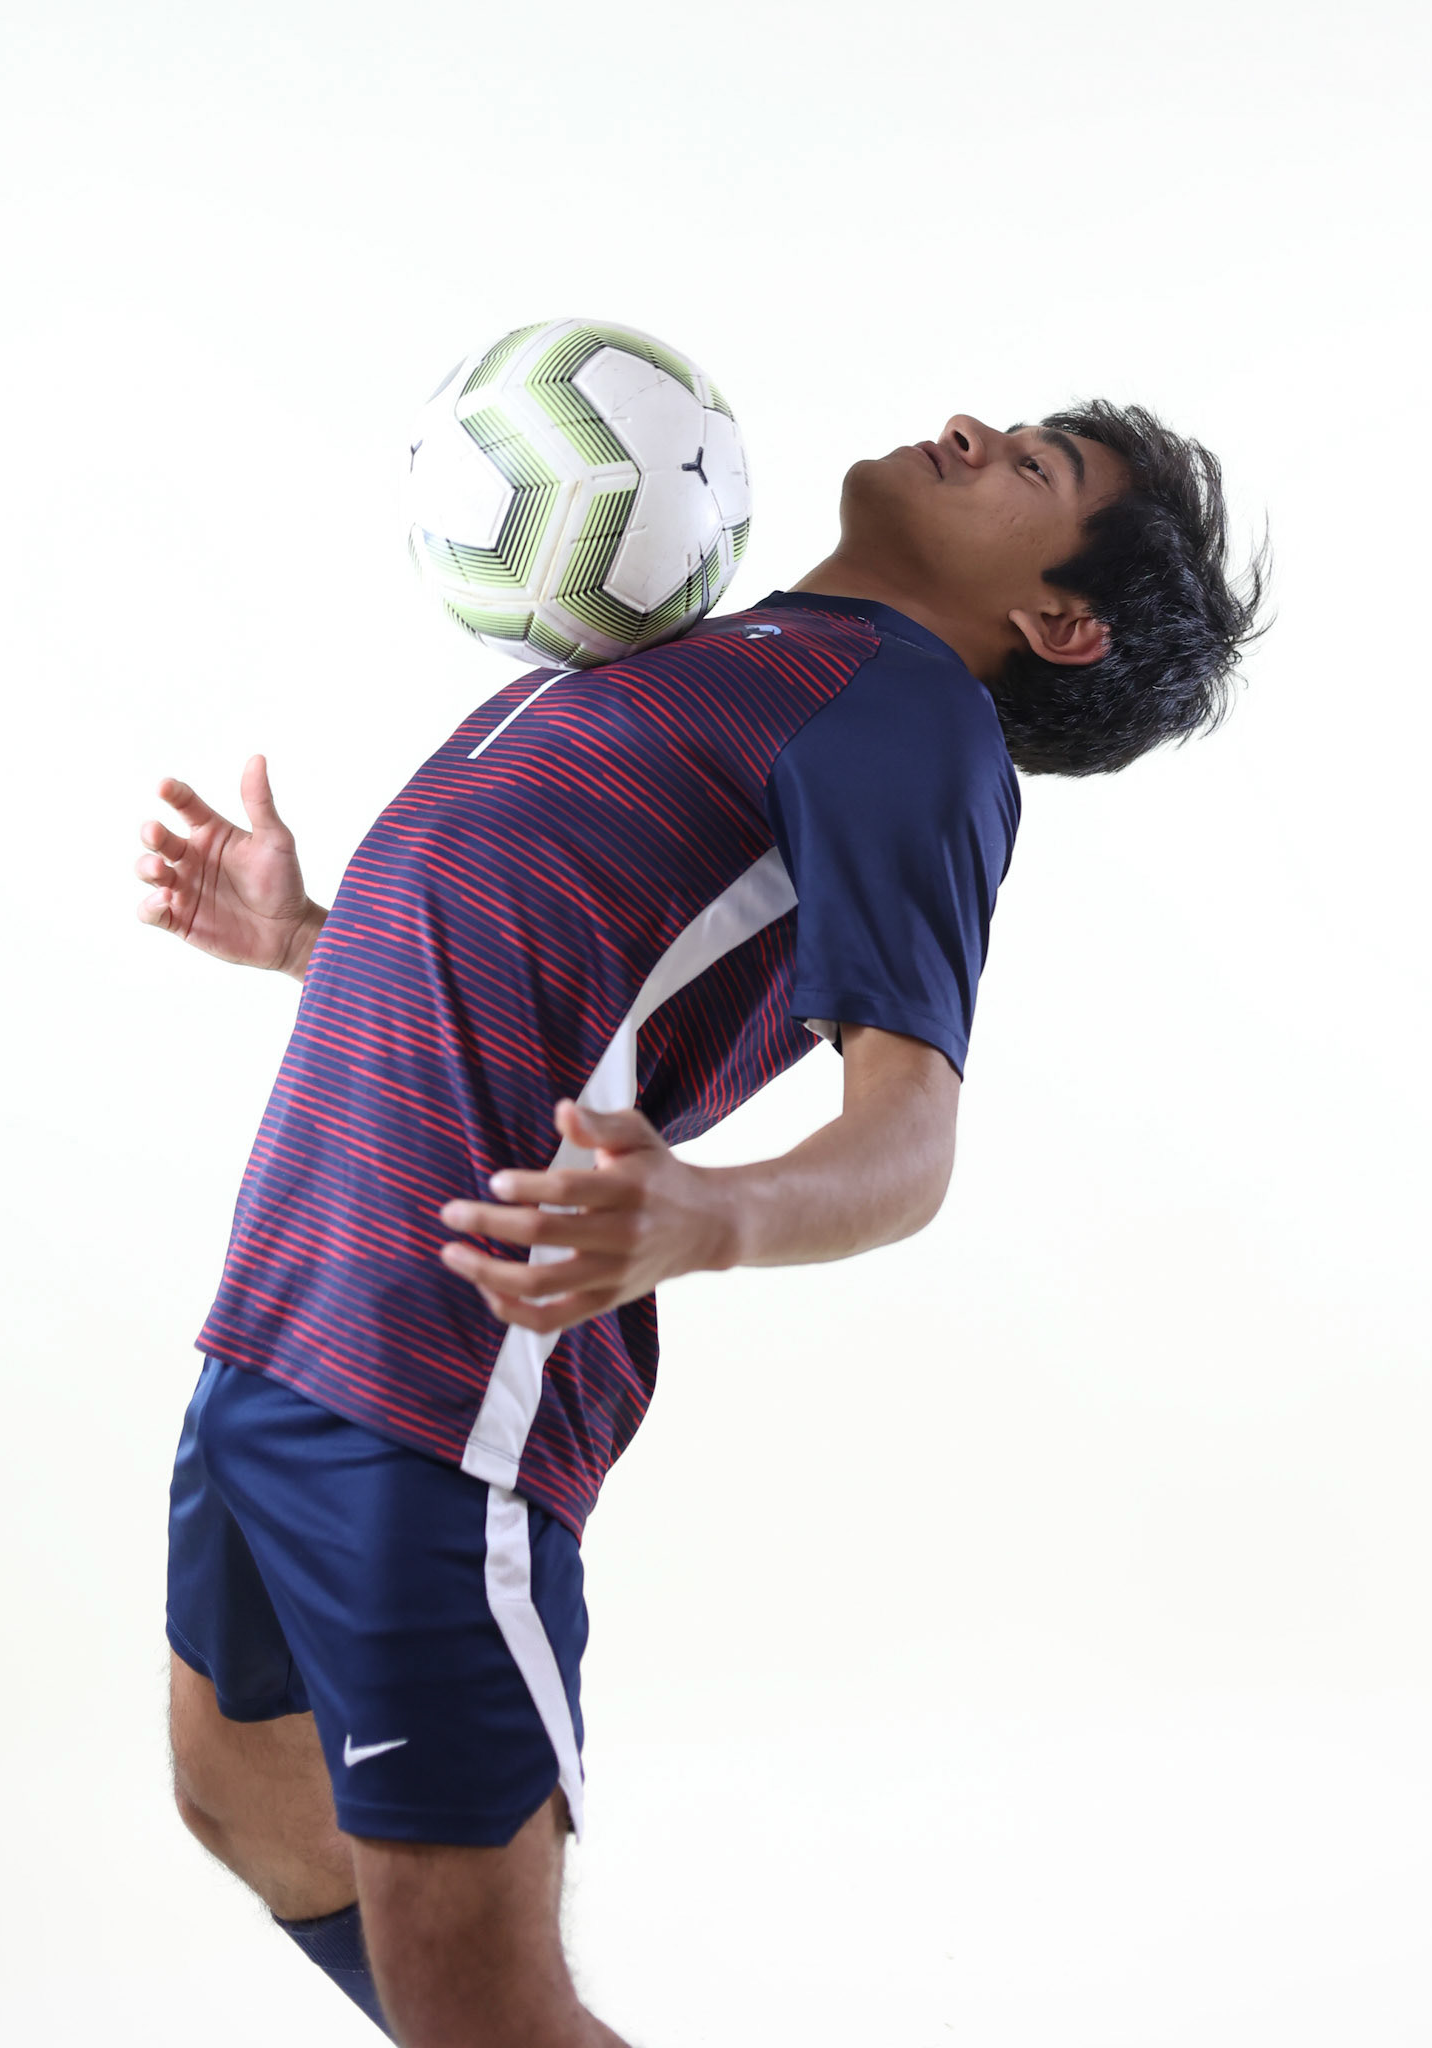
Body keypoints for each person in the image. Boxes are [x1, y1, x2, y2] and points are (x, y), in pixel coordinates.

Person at [137, 402, 1267, 2045]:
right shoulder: (687, 639)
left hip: (447, 1369)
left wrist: (698, 1217)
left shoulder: (908, 716)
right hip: (287, 1310)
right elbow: (549, 981)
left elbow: (910, 1137)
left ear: (1056, 623)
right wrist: (310, 933)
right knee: (242, 1796)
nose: (968, 428)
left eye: (1033, 468)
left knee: (476, 1998)